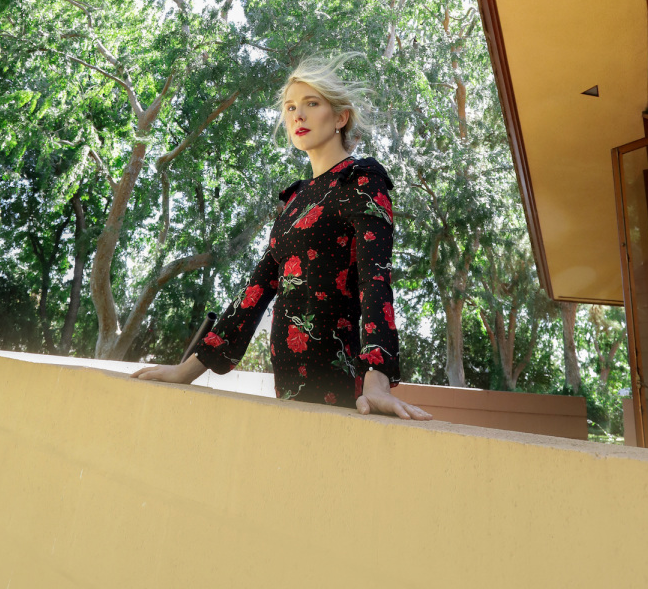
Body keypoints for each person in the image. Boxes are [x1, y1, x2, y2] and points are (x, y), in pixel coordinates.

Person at [132, 56, 433, 422]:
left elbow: (376, 280)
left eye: (311, 103)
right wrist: (186, 371)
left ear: (340, 118)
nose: (298, 115)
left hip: (344, 386)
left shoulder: (362, 179)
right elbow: (255, 293)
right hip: (288, 380)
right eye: (291, 107)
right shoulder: (294, 201)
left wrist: (377, 380)